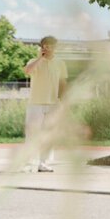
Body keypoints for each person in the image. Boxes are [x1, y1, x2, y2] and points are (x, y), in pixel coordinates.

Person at [23, 35, 66, 173]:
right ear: (42, 47)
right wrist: (39, 58)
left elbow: (62, 82)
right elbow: (27, 70)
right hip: (35, 103)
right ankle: (28, 164)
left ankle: (44, 163)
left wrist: (62, 100)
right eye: (46, 46)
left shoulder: (60, 63)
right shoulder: (34, 61)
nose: (48, 49)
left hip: (54, 104)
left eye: (51, 46)